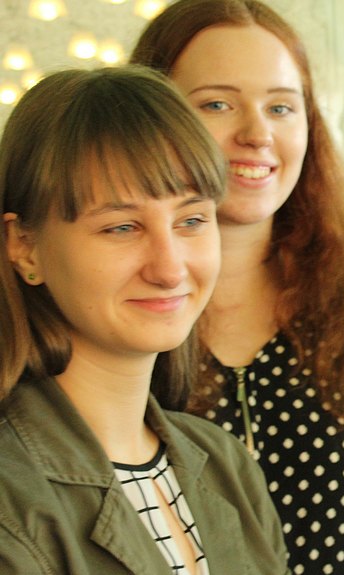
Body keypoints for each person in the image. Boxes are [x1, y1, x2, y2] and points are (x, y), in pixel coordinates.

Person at [130, 1, 344, 573]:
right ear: (150, 122)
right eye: (217, 104)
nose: (257, 134)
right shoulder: (116, 318)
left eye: (281, 107)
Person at [0, 66, 289, 574]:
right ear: (25, 246)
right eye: (122, 227)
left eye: (192, 220)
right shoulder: (11, 496)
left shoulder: (226, 464)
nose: (170, 268)